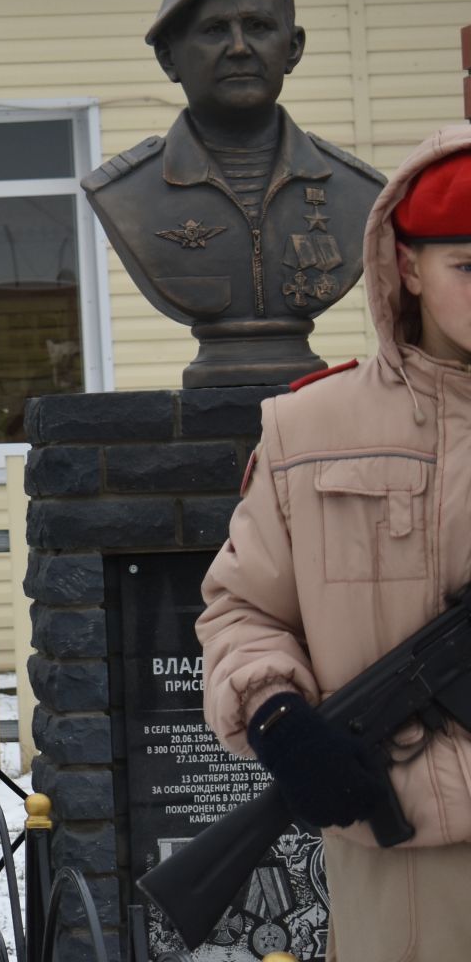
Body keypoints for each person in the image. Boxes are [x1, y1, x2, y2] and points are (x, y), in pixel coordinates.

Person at [199, 125, 471, 960]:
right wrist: (279, 718)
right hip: (407, 861)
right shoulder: (313, 427)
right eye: (470, 267)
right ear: (407, 266)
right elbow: (242, 610)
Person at [82, 0, 384, 386]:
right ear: (169, 59)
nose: (240, 48)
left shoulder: (359, 192)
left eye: (259, 27)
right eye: (214, 30)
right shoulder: (124, 193)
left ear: (294, 48)